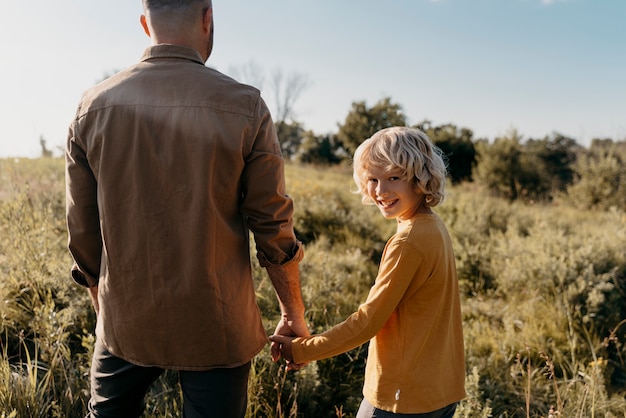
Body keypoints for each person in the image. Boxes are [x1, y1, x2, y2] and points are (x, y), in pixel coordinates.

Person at [65, 0, 309, 416]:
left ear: (145, 23)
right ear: (208, 17)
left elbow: (82, 232)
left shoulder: (93, 107)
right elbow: (272, 225)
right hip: (218, 324)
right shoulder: (246, 106)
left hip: (125, 321)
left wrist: (108, 314)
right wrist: (293, 313)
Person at [270, 127, 466, 418]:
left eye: (393, 178)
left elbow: (367, 323)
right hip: (439, 391)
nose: (380, 191)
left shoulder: (408, 241)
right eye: (373, 179)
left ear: (420, 178)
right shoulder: (433, 227)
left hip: (401, 398)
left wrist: (302, 350)